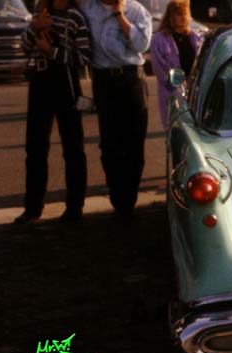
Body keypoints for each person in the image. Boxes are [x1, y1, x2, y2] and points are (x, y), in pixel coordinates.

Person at [15, 0, 91, 224]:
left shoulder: (75, 17)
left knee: (73, 148)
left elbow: (84, 57)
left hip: (66, 84)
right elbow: (24, 47)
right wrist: (34, 27)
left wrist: (53, 51)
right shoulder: (40, 13)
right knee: (35, 148)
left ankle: (75, 208)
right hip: (40, 83)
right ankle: (32, 208)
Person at [83, 0, 151, 220]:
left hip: (131, 78)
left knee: (134, 142)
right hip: (104, 80)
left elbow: (142, 45)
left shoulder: (136, 10)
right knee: (110, 144)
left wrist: (120, 17)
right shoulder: (87, 9)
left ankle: (127, 201)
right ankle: (118, 198)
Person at [150, 0, 202, 131]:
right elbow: (159, 68)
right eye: (179, 14)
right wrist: (179, 83)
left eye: (185, 13)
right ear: (171, 16)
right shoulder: (160, 39)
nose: (183, 17)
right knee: (175, 128)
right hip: (172, 92)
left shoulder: (195, 37)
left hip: (195, 89)